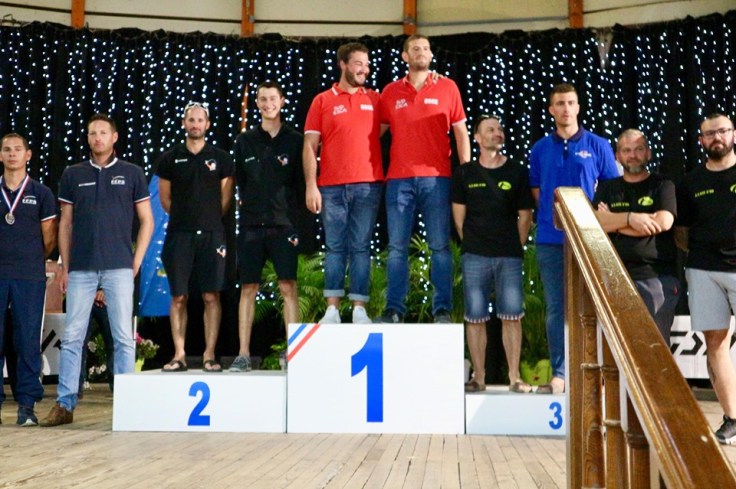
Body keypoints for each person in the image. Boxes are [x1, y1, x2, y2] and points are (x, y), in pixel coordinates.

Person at [41, 114, 153, 426]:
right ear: (88, 138)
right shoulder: (73, 174)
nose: (98, 138)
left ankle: (129, 406)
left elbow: (147, 220)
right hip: (81, 269)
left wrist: (136, 262)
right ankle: (65, 404)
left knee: (123, 338)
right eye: (93, 133)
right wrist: (65, 266)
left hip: (119, 268)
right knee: (72, 337)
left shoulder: (131, 172)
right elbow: (65, 223)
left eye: (103, 132)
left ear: (114, 137)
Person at [529, 83, 618, 394]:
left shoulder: (598, 145)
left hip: (588, 239)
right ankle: (560, 372)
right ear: (551, 110)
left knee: (591, 307)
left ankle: (594, 370)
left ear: (578, 107)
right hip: (550, 240)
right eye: (559, 103)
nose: (565, 108)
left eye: (570, 102)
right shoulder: (540, 148)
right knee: (556, 308)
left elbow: (611, 190)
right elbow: (537, 190)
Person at [376, 34, 471, 323]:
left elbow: (461, 133)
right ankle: (394, 309)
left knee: (440, 247)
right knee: (396, 249)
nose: (422, 52)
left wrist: (466, 173)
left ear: (431, 55)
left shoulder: (447, 87)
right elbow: (373, 134)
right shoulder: (390, 92)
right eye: (416, 48)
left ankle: (441, 310)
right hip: (398, 180)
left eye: (426, 48)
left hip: (437, 179)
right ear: (405, 56)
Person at [303, 42, 384, 324]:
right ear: (343, 64)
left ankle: (359, 308)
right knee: (335, 247)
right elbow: (310, 145)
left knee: (361, 247)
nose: (365, 69)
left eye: (367, 64)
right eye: (359, 63)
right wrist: (311, 185)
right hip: (331, 186)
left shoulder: (375, 99)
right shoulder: (322, 100)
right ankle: (333, 310)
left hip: (368, 185)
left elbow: (398, 115)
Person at [451, 116, 533, 393]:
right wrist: (474, 244)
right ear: (476, 137)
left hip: (508, 256)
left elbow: (525, 216)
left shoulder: (516, 171)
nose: (497, 133)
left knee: (512, 315)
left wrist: (513, 246)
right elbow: (459, 218)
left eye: (499, 129)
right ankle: (479, 377)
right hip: (475, 255)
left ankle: (514, 377)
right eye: (490, 129)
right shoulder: (465, 173)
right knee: (475, 317)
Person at [156, 102, 234, 372]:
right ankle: (179, 354)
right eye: (191, 120)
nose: (195, 124)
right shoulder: (169, 158)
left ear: (207, 124)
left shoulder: (221, 158)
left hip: (213, 235)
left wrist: (207, 219)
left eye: (200, 120)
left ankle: (209, 354)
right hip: (179, 235)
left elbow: (225, 199)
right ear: (184, 123)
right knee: (179, 297)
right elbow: (165, 199)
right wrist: (186, 218)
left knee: (211, 295)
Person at [231, 81, 304, 372]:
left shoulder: (295, 140)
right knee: (248, 287)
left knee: (288, 286)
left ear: (282, 101)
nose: (267, 104)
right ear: (258, 103)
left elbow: (301, 182)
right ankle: (243, 354)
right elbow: (238, 181)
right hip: (250, 225)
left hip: (284, 224)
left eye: (272, 99)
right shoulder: (244, 140)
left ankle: (294, 353)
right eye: (262, 99)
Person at [675, 113, 736, 444]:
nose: (717, 138)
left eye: (722, 131)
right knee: (715, 343)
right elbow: (681, 233)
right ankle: (732, 418)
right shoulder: (690, 182)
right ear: (701, 140)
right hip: (703, 269)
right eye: (709, 134)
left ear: (733, 134)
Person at [593, 129, 679, 343]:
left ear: (648, 153)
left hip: (655, 277)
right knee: (618, 347)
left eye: (639, 149)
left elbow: (662, 223)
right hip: (615, 277)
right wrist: (632, 219)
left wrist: (615, 222)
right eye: (626, 150)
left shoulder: (663, 185)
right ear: (617, 156)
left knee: (655, 347)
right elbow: (596, 223)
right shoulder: (607, 188)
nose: (633, 155)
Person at [0, 133, 56, 426]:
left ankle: (27, 405)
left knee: (27, 340)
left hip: (29, 276)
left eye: (17, 149)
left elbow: (49, 240)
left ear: (28, 154)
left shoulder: (42, 193)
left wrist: (29, 258)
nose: (12, 154)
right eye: (7, 149)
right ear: (0, 155)